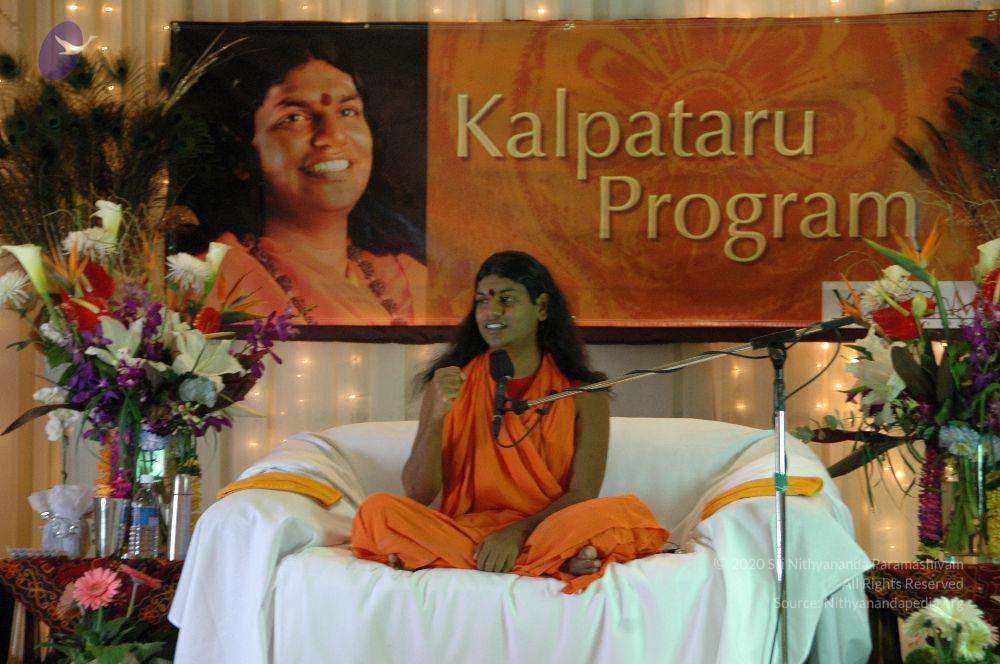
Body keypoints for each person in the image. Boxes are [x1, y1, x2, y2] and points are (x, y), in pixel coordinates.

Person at [350, 251, 669, 594]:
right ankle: (553, 563)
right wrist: (438, 416)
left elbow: (583, 493)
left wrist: (515, 534)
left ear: (541, 307)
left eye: (506, 299)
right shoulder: (449, 382)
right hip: (466, 529)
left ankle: (463, 557)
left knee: (627, 514)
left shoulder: (584, 392)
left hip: (546, 528)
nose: (492, 312)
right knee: (377, 511)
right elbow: (418, 492)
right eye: (482, 301)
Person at [179, 34, 426, 325]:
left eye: (347, 112)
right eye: (295, 118)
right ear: (241, 153)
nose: (332, 135)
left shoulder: (412, 281)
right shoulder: (211, 283)